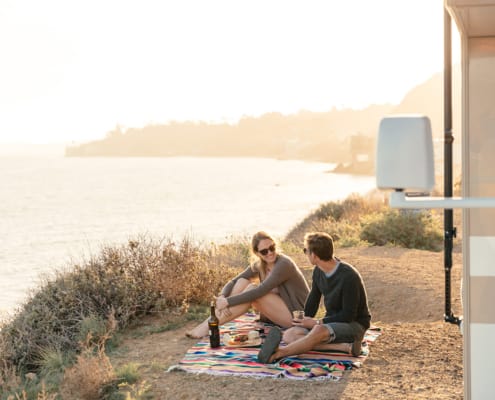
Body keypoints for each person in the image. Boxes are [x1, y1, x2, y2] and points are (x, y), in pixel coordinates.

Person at [258, 231, 371, 363]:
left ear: (315, 255)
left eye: (306, 250)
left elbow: (348, 315)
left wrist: (318, 323)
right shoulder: (318, 270)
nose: (305, 254)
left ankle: (279, 354)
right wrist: (303, 321)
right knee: (290, 335)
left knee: (318, 329)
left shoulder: (348, 276)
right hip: (332, 325)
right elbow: (313, 300)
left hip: (354, 326)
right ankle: (345, 347)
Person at [185, 231, 310, 338]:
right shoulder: (260, 265)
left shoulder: (283, 264)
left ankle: (209, 325)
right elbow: (234, 280)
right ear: (257, 253)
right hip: (279, 313)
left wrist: (229, 301)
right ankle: (214, 319)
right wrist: (222, 296)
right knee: (242, 281)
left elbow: (261, 290)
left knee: (253, 289)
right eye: (264, 251)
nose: (270, 253)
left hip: (298, 317)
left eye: (272, 248)